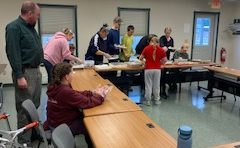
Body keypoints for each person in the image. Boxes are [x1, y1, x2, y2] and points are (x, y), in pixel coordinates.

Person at [44, 63, 112, 148]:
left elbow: (76, 94)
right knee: (92, 126)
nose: (73, 75)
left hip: (55, 121)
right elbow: (88, 102)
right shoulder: (65, 91)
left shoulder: (55, 86)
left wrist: (92, 92)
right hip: (63, 125)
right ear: (66, 77)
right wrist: (101, 95)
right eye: (72, 73)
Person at [5, 1, 42, 144]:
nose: (38, 18)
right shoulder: (14, 27)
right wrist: (19, 76)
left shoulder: (31, 28)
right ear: (30, 13)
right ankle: (23, 141)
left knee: (35, 105)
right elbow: (13, 53)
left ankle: (32, 133)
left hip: (35, 71)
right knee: (24, 107)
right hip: (25, 73)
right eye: (37, 15)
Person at [139, 35, 167, 106]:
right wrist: (160, 62)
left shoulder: (146, 48)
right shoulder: (161, 49)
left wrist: (144, 61)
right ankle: (157, 100)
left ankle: (148, 101)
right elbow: (165, 60)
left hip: (148, 69)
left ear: (151, 41)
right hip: (157, 69)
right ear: (157, 42)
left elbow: (140, 58)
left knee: (148, 85)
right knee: (156, 85)